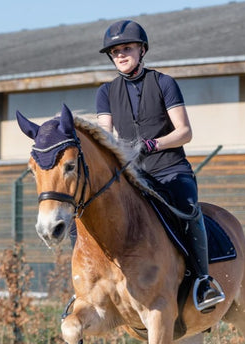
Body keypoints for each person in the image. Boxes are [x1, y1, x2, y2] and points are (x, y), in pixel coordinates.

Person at [96, 20, 225, 313]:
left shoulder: (164, 83)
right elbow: (105, 134)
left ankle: (203, 282)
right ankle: (92, 285)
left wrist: (153, 144)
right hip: (134, 174)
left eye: (126, 48)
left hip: (170, 169)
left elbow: (184, 132)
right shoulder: (105, 92)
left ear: (142, 50)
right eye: (115, 51)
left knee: (189, 211)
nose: (121, 54)